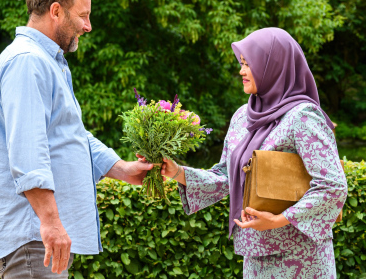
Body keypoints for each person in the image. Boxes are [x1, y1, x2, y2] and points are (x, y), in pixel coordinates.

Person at [0, 0, 153, 278]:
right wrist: (51, 223)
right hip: (31, 237)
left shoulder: (45, 61)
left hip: (34, 239)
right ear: (56, 11)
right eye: (83, 16)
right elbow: (28, 151)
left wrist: (120, 169)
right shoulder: (28, 61)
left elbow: (69, 135)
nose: (88, 26)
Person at [146, 28, 348, 278]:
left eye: (248, 64)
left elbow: (333, 186)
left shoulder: (302, 116)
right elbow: (228, 178)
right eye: (242, 63)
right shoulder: (243, 117)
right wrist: (177, 172)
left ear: (273, 66)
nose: (241, 71)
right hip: (255, 255)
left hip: (302, 258)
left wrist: (279, 219)